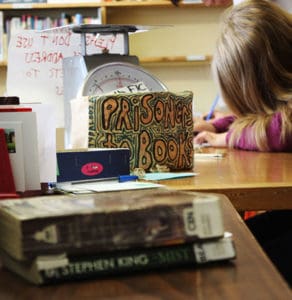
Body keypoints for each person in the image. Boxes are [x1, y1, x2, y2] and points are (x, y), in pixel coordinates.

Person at [194, 0, 292, 152]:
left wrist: (227, 137)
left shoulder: (284, 127)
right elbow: (263, 116)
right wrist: (218, 125)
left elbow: (278, 131)